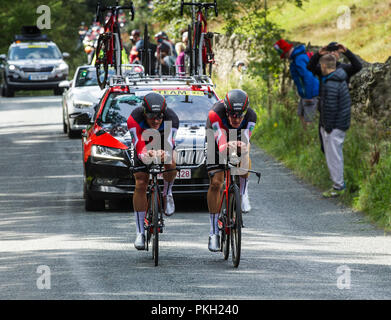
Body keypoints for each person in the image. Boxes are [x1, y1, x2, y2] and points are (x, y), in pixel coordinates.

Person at [205, 89, 257, 252]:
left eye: (240, 115)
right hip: (216, 135)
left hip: (237, 136)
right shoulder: (215, 113)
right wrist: (225, 147)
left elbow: (246, 140)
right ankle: (213, 232)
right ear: (226, 111)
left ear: (245, 112)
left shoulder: (251, 116)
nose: (236, 118)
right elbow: (220, 142)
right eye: (232, 115)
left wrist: (241, 147)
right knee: (216, 182)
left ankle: (243, 192)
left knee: (243, 156)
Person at [127, 92, 179, 250]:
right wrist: (146, 155)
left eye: (159, 117)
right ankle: (140, 232)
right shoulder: (134, 118)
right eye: (151, 117)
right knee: (141, 182)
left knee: (171, 162)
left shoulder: (172, 118)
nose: (156, 121)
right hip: (143, 142)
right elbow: (138, 145)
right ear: (144, 113)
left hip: (163, 141)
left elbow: (169, 143)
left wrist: (165, 154)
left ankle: (167, 193)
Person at [317, 54, 352, 198]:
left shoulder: (331, 83)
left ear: (324, 66)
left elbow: (330, 107)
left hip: (334, 126)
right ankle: (337, 184)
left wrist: (327, 127)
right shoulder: (340, 79)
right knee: (335, 156)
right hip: (340, 123)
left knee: (334, 157)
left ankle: (338, 186)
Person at [274, 39, 319, 129]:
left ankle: (309, 140)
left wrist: (309, 96)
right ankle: (305, 137)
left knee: (309, 120)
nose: (285, 58)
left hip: (311, 94)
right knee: (300, 114)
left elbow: (308, 77)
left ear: (286, 52)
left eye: (284, 55)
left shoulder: (299, 59)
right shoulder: (295, 59)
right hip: (305, 94)